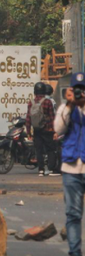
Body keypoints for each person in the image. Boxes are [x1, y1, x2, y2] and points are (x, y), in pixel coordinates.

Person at [55, 73, 85, 256]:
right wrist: (69, 106)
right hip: (71, 169)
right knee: (73, 214)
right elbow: (58, 129)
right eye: (77, 90)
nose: (80, 93)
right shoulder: (65, 108)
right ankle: (75, 252)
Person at [28, 81, 58, 177]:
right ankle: (50, 169)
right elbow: (52, 116)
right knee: (50, 149)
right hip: (48, 129)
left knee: (39, 150)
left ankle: (41, 170)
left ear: (34, 91)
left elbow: (28, 118)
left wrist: (28, 132)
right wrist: (55, 131)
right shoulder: (47, 101)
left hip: (37, 130)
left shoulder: (31, 102)